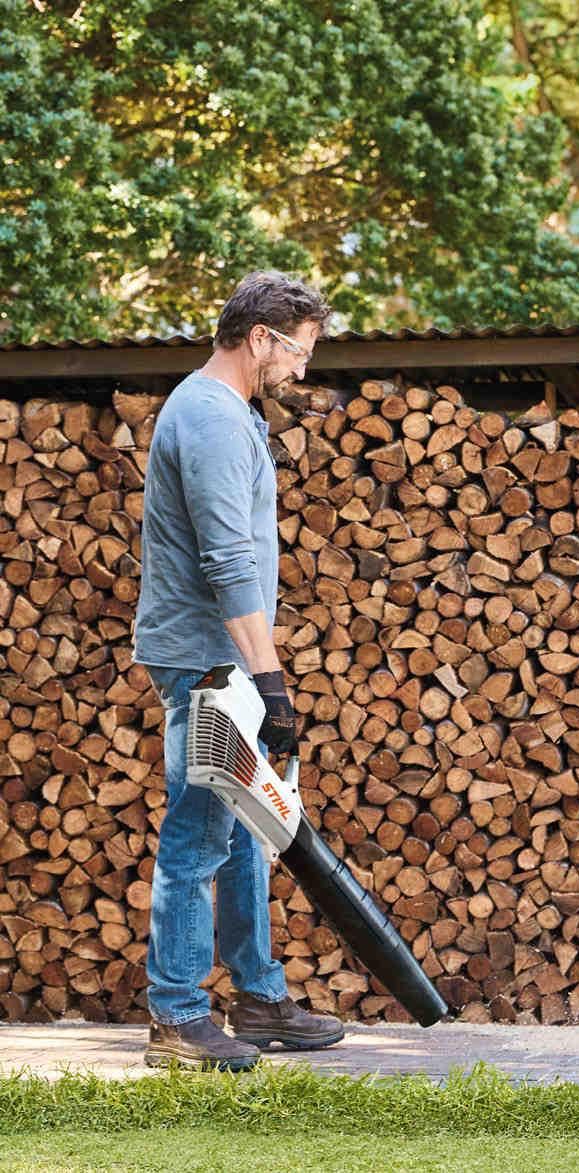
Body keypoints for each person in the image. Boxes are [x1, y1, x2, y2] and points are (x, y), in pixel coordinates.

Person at [132, 270, 345, 1070]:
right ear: (261, 336)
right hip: (206, 659)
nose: (301, 370)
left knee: (250, 824)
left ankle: (258, 998)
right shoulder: (213, 419)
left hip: (222, 656)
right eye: (298, 351)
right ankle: (177, 1015)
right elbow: (227, 561)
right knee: (197, 832)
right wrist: (271, 679)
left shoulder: (229, 413)